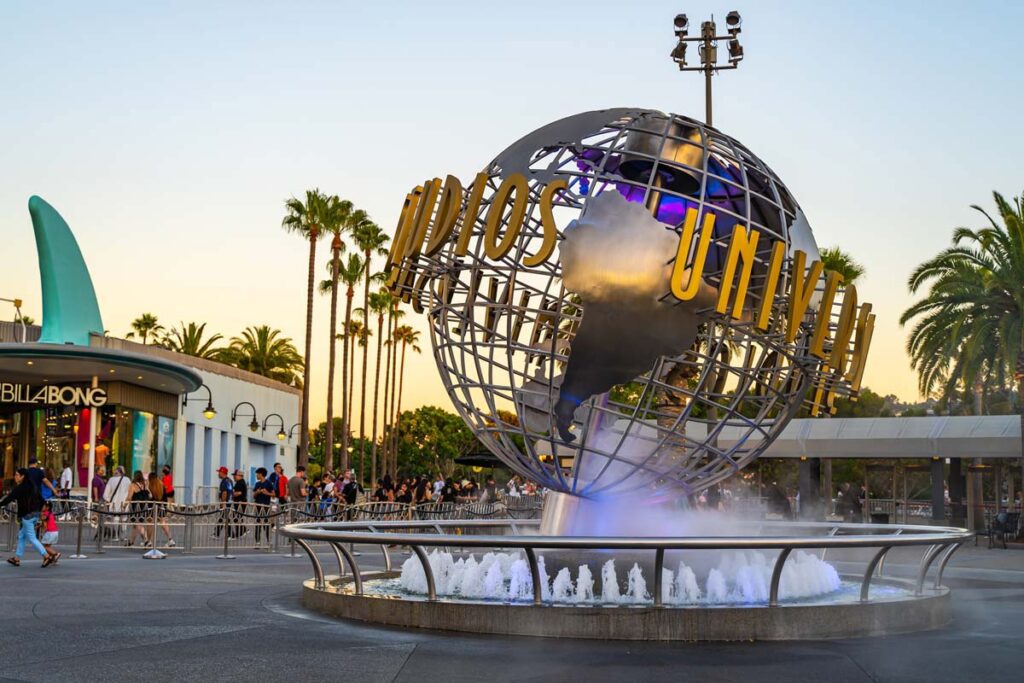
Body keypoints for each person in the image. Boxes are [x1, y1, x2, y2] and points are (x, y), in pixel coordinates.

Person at [1, 468, 50, 567]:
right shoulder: (32, 486)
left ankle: (46, 556)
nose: (15, 477)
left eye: (17, 475)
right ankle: (17, 559)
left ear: (22, 476)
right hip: (35, 514)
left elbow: (9, 498)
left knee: (32, 538)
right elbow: (41, 499)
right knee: (21, 536)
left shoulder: (20, 488)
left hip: (27, 515)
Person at [103, 466, 131, 541]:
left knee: (116, 518)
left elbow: (105, 493)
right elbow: (130, 492)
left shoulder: (111, 480)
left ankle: (116, 536)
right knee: (124, 518)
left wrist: (108, 500)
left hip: (114, 503)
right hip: (125, 503)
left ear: (116, 472)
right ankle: (124, 536)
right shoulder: (127, 480)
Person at [148, 471, 175, 547]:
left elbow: (150, 498)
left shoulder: (150, 486)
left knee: (150, 523)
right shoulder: (161, 484)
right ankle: (170, 539)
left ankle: (148, 541)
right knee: (163, 523)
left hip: (152, 507)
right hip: (161, 506)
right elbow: (165, 497)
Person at [126, 471, 152, 547]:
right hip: (143, 507)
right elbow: (150, 495)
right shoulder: (145, 485)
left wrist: (124, 505)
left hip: (135, 507)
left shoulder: (133, 485)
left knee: (137, 524)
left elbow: (129, 497)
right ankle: (131, 542)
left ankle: (147, 540)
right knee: (135, 525)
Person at [252, 467, 274, 548]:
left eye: (257, 474)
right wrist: (257, 492)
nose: (256, 475)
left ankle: (269, 542)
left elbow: (273, 495)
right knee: (257, 524)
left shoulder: (268, 483)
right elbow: (253, 496)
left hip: (266, 507)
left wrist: (267, 493)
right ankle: (257, 542)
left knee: (266, 524)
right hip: (258, 506)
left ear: (261, 474)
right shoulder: (257, 484)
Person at [38, 500, 61, 565]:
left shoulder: (44, 514)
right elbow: (47, 522)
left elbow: (45, 525)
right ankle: (49, 560)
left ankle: (56, 554)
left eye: (43, 506)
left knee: (44, 547)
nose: (42, 507)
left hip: (50, 532)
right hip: (55, 531)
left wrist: (41, 515)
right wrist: (38, 527)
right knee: (47, 547)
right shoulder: (50, 513)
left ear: (47, 507)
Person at [214, 466, 233, 538]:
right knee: (224, 518)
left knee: (225, 518)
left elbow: (224, 492)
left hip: (226, 502)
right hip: (229, 501)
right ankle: (217, 533)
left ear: (222, 472)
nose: (218, 473)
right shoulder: (229, 480)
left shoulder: (224, 481)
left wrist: (223, 503)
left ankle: (231, 534)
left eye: (219, 472)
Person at [231, 470, 248, 538]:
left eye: (235, 475)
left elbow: (239, 493)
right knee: (237, 518)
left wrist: (231, 494)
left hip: (240, 503)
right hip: (239, 502)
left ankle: (241, 532)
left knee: (237, 518)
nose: (234, 477)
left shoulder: (240, 483)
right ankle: (242, 531)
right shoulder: (239, 482)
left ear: (239, 476)